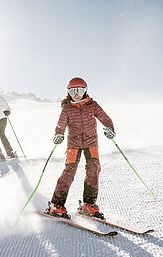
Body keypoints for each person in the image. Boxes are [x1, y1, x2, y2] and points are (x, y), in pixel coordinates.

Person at [47, 77, 115, 220]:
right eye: (72, 91)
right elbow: (61, 125)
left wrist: (109, 128)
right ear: (68, 92)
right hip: (74, 145)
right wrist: (58, 134)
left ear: (85, 91)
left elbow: (105, 118)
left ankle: (88, 204)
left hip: (91, 143)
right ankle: (57, 204)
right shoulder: (67, 108)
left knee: (93, 170)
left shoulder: (92, 105)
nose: (76, 94)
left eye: (79, 90)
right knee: (69, 172)